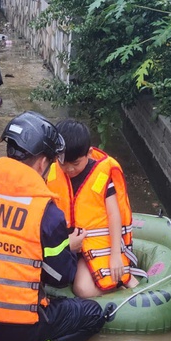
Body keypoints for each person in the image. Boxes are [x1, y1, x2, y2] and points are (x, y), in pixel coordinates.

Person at [0, 111, 107, 341]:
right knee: (93, 315)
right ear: (43, 163)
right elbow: (60, 277)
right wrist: (71, 248)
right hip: (15, 328)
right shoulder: (45, 211)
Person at [46, 119, 146, 298]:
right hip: (67, 244)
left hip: (96, 245)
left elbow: (114, 214)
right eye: (63, 163)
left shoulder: (101, 176)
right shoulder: (52, 173)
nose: (69, 169)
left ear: (90, 153)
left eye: (75, 163)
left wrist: (115, 255)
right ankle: (118, 283)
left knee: (83, 290)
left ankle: (124, 280)